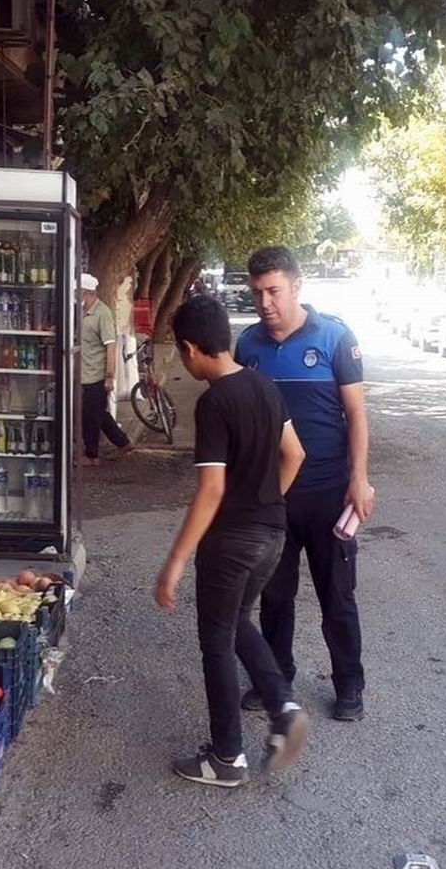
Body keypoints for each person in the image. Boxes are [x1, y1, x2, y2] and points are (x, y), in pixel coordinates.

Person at [155, 295, 311, 787]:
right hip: (273, 534)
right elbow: (296, 455)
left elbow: (213, 489)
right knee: (237, 621)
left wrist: (175, 561)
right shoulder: (264, 386)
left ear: (190, 347)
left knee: (215, 643)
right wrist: (265, 501)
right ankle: (283, 708)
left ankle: (226, 757)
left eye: (183, 354)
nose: (185, 362)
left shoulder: (215, 401)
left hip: (232, 543)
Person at [236, 246, 374, 722]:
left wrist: (359, 479)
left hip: (329, 493)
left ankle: (349, 684)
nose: (265, 302)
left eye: (273, 290)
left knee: (337, 596)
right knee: (274, 597)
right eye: (257, 292)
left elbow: (355, 413)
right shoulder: (248, 346)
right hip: (272, 497)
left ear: (296, 286)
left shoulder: (334, 337)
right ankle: (275, 678)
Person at [77, 272, 133, 466]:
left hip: (96, 374)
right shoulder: (82, 312)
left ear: (86, 293)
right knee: (98, 413)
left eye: (77, 293)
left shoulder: (102, 313)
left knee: (91, 416)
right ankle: (123, 443)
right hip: (83, 373)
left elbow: (111, 346)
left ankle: (91, 455)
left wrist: (110, 376)